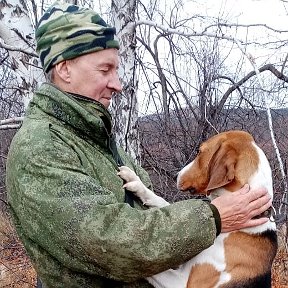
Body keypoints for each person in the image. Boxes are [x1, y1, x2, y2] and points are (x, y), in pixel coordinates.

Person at [6, 2, 272, 288]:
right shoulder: (41, 147)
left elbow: (148, 223)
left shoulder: (93, 137)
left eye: (116, 69)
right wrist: (214, 217)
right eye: (105, 69)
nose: (117, 83)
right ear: (65, 69)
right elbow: (110, 242)